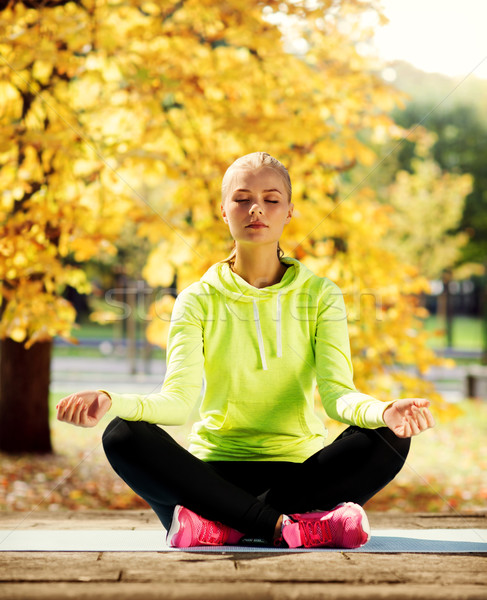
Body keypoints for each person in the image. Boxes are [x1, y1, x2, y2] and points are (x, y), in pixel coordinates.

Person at [57, 152, 435, 549]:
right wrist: (109, 399)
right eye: (242, 199)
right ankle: (289, 527)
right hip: (211, 480)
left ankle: (224, 527)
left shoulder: (321, 295)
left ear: (289, 212)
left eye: (272, 200)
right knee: (121, 434)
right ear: (223, 211)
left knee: (389, 436)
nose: (256, 208)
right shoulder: (197, 299)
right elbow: (177, 402)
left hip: (300, 476)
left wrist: (383, 411)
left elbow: (338, 396)